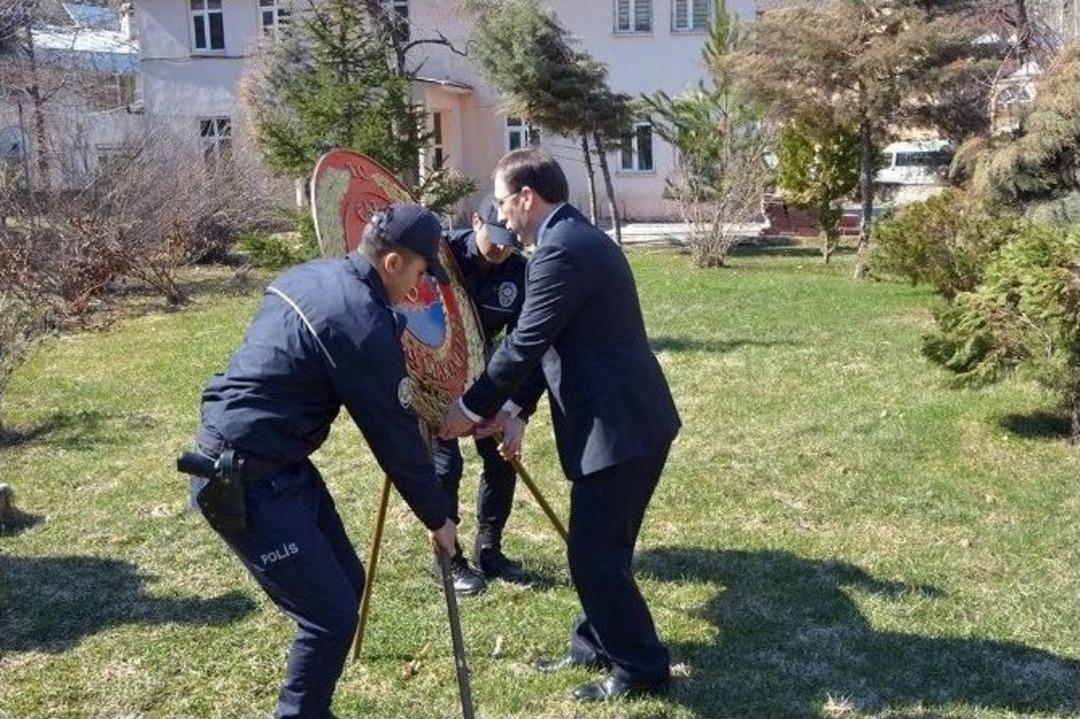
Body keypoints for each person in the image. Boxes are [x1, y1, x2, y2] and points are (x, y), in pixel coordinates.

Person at [187, 204, 458, 719]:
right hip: (240, 479)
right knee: (329, 617)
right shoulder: (359, 321)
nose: (421, 287)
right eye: (422, 273)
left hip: (280, 463)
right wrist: (438, 516)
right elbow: (393, 436)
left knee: (348, 583)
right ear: (395, 261)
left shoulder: (314, 275)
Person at [439, 149, 681, 702]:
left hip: (619, 427)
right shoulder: (570, 240)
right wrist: (514, 409)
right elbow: (547, 340)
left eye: (503, 201)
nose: (502, 214)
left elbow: (523, 342)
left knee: (594, 556)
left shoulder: (560, 251)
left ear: (527, 197)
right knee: (603, 550)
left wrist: (472, 408)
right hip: (631, 421)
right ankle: (593, 643)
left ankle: (641, 669)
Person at [432, 195, 531, 595]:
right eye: (495, 239)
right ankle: (447, 559)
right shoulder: (440, 255)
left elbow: (526, 347)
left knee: (502, 457)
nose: (502, 249)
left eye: (510, 242)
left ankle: (489, 548)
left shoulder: (520, 273)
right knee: (444, 467)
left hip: (486, 375)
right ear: (476, 221)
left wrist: (515, 410)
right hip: (433, 373)